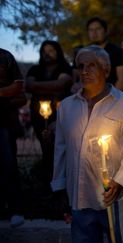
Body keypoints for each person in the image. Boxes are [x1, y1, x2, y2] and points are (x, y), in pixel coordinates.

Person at [51, 45, 123, 243]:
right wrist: (58, 186)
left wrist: (119, 181)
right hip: (80, 197)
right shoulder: (67, 106)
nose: (84, 71)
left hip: (115, 198)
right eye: (80, 66)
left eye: (91, 66)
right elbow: (61, 149)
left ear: (106, 70)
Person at [26, 40, 73, 190]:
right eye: (44, 51)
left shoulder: (65, 67)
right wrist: (53, 87)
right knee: (45, 147)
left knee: (59, 148)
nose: (47, 54)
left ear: (58, 51)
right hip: (38, 115)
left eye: (51, 50)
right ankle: (48, 184)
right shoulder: (35, 69)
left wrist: (38, 87)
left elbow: (62, 85)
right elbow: (29, 85)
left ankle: (62, 184)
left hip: (61, 114)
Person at [0, 48, 27, 227]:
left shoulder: (5, 56)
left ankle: (16, 210)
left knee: (8, 165)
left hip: (4, 122)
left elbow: (18, 88)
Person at [86, 16, 123, 90]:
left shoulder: (117, 52)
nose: (94, 33)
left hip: (111, 96)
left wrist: (111, 99)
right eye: (91, 30)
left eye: (98, 29)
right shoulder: (84, 53)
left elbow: (122, 81)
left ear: (106, 31)